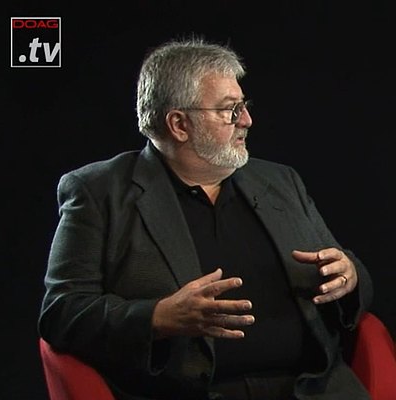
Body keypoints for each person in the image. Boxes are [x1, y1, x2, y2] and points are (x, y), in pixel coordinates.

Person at [38, 37, 373, 400]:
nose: (247, 120)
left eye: (243, 106)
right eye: (230, 110)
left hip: (311, 388)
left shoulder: (280, 181)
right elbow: (61, 312)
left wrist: (349, 275)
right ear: (179, 124)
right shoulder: (99, 192)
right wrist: (158, 317)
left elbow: (347, 270)